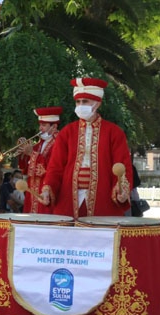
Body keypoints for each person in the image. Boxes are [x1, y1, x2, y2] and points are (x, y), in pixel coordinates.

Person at [40, 77, 133, 218]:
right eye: (78, 102)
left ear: (97, 103)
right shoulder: (67, 132)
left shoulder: (114, 132)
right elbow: (55, 167)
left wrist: (121, 190)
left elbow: (122, 166)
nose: (80, 105)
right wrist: (48, 189)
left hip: (103, 199)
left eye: (85, 101)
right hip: (69, 198)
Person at [18, 106, 61, 214]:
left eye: (44, 125)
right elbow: (26, 170)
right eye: (40, 125)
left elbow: (52, 166)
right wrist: (23, 156)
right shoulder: (39, 144)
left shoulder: (59, 143)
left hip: (47, 190)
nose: (40, 128)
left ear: (54, 126)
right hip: (33, 191)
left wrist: (31, 153)